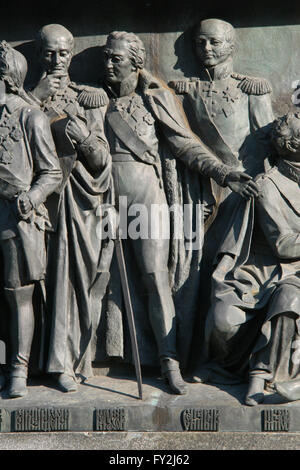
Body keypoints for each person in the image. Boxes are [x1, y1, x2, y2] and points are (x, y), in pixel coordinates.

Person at [101, 31, 259, 394]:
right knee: (102, 282)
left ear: (135, 62)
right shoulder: (94, 102)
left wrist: (223, 172)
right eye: (106, 57)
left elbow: (184, 144)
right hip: (102, 200)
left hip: (146, 198)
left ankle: (169, 360)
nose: (108, 65)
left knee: (155, 277)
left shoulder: (154, 99)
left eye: (116, 58)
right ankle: (100, 359)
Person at [169, 18, 275, 380]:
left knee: (227, 279)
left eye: (214, 43)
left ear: (231, 45)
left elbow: (266, 144)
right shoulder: (186, 90)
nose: (206, 50)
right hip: (200, 194)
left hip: (241, 197)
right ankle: (193, 358)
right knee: (193, 277)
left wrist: (263, 192)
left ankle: (235, 360)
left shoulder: (252, 90)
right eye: (200, 44)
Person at [29, 24, 112, 392]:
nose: (57, 60)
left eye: (63, 53)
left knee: (69, 283)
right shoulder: (17, 97)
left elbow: (100, 161)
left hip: (76, 205)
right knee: (29, 286)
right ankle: (26, 364)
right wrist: (35, 98)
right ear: (38, 54)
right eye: (49, 53)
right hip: (31, 204)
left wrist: (82, 137)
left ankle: (66, 362)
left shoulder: (88, 98)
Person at [203, 111, 300, 405]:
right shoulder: (267, 185)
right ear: (291, 145)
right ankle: (263, 375)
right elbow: (283, 245)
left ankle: (265, 378)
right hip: (272, 271)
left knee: (291, 297)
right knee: (286, 296)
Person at [0, 41, 62, 398]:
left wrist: (31, 197)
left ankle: (19, 371)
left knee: (18, 295)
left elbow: (51, 173)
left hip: (16, 220)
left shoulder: (29, 116)